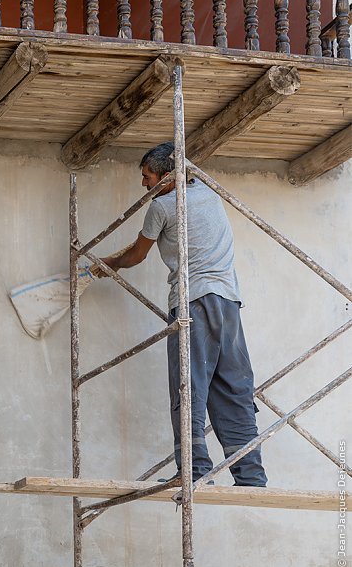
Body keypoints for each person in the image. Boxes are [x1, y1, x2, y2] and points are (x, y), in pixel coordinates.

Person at [101, 142, 267, 487]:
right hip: (228, 304)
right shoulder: (210, 194)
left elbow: (136, 255)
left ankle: (193, 470)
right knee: (234, 387)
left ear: (167, 176)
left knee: (188, 386)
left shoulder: (162, 206)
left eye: (148, 177)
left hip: (193, 303)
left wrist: (110, 264)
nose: (144, 185)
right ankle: (250, 474)